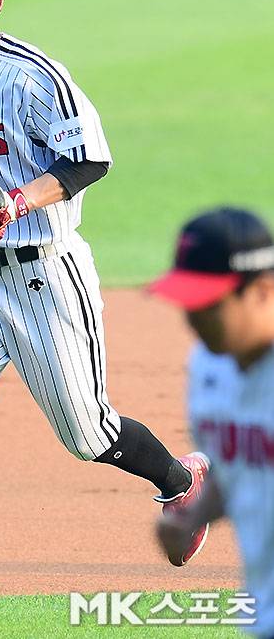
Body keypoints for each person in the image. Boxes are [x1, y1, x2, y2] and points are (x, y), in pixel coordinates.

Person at [0, 0, 208, 630]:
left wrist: (13, 205)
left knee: (90, 435)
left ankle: (181, 484)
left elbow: (88, 159)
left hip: (46, 276)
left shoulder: (33, 75)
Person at [150, 206, 274, 638]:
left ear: (262, 290)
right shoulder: (208, 366)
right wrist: (195, 513)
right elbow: (238, 463)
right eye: (188, 304)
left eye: (209, 305)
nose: (195, 321)